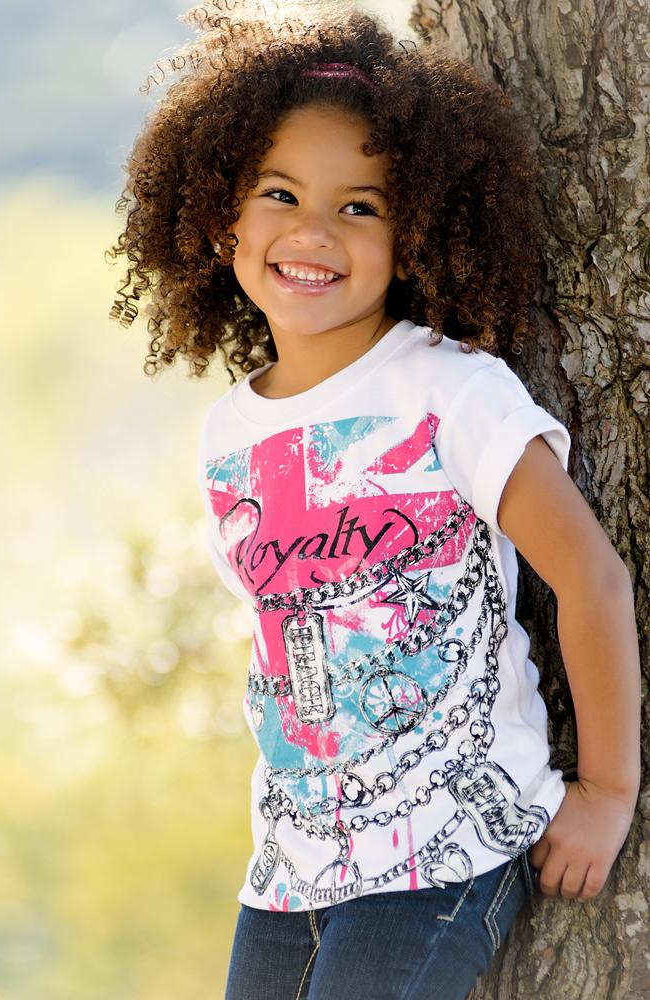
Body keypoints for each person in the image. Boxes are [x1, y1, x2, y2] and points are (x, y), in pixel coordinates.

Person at [106, 3, 641, 997]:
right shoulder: (228, 436)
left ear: (415, 234)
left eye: (359, 207)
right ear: (221, 215)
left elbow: (591, 580)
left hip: (445, 845)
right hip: (290, 865)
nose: (312, 231)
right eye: (279, 193)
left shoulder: (447, 391)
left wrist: (607, 789)